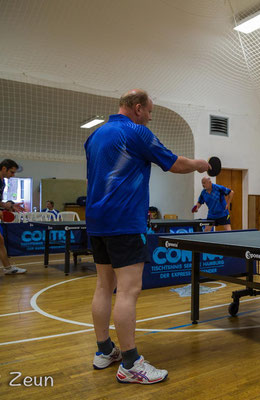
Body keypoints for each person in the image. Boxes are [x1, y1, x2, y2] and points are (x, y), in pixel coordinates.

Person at [86, 89, 210, 384]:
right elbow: (173, 163)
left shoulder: (94, 135)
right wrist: (199, 164)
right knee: (128, 291)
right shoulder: (137, 132)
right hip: (125, 221)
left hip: (96, 220)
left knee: (104, 286)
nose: (151, 117)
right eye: (150, 111)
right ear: (138, 108)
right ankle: (130, 363)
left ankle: (105, 350)